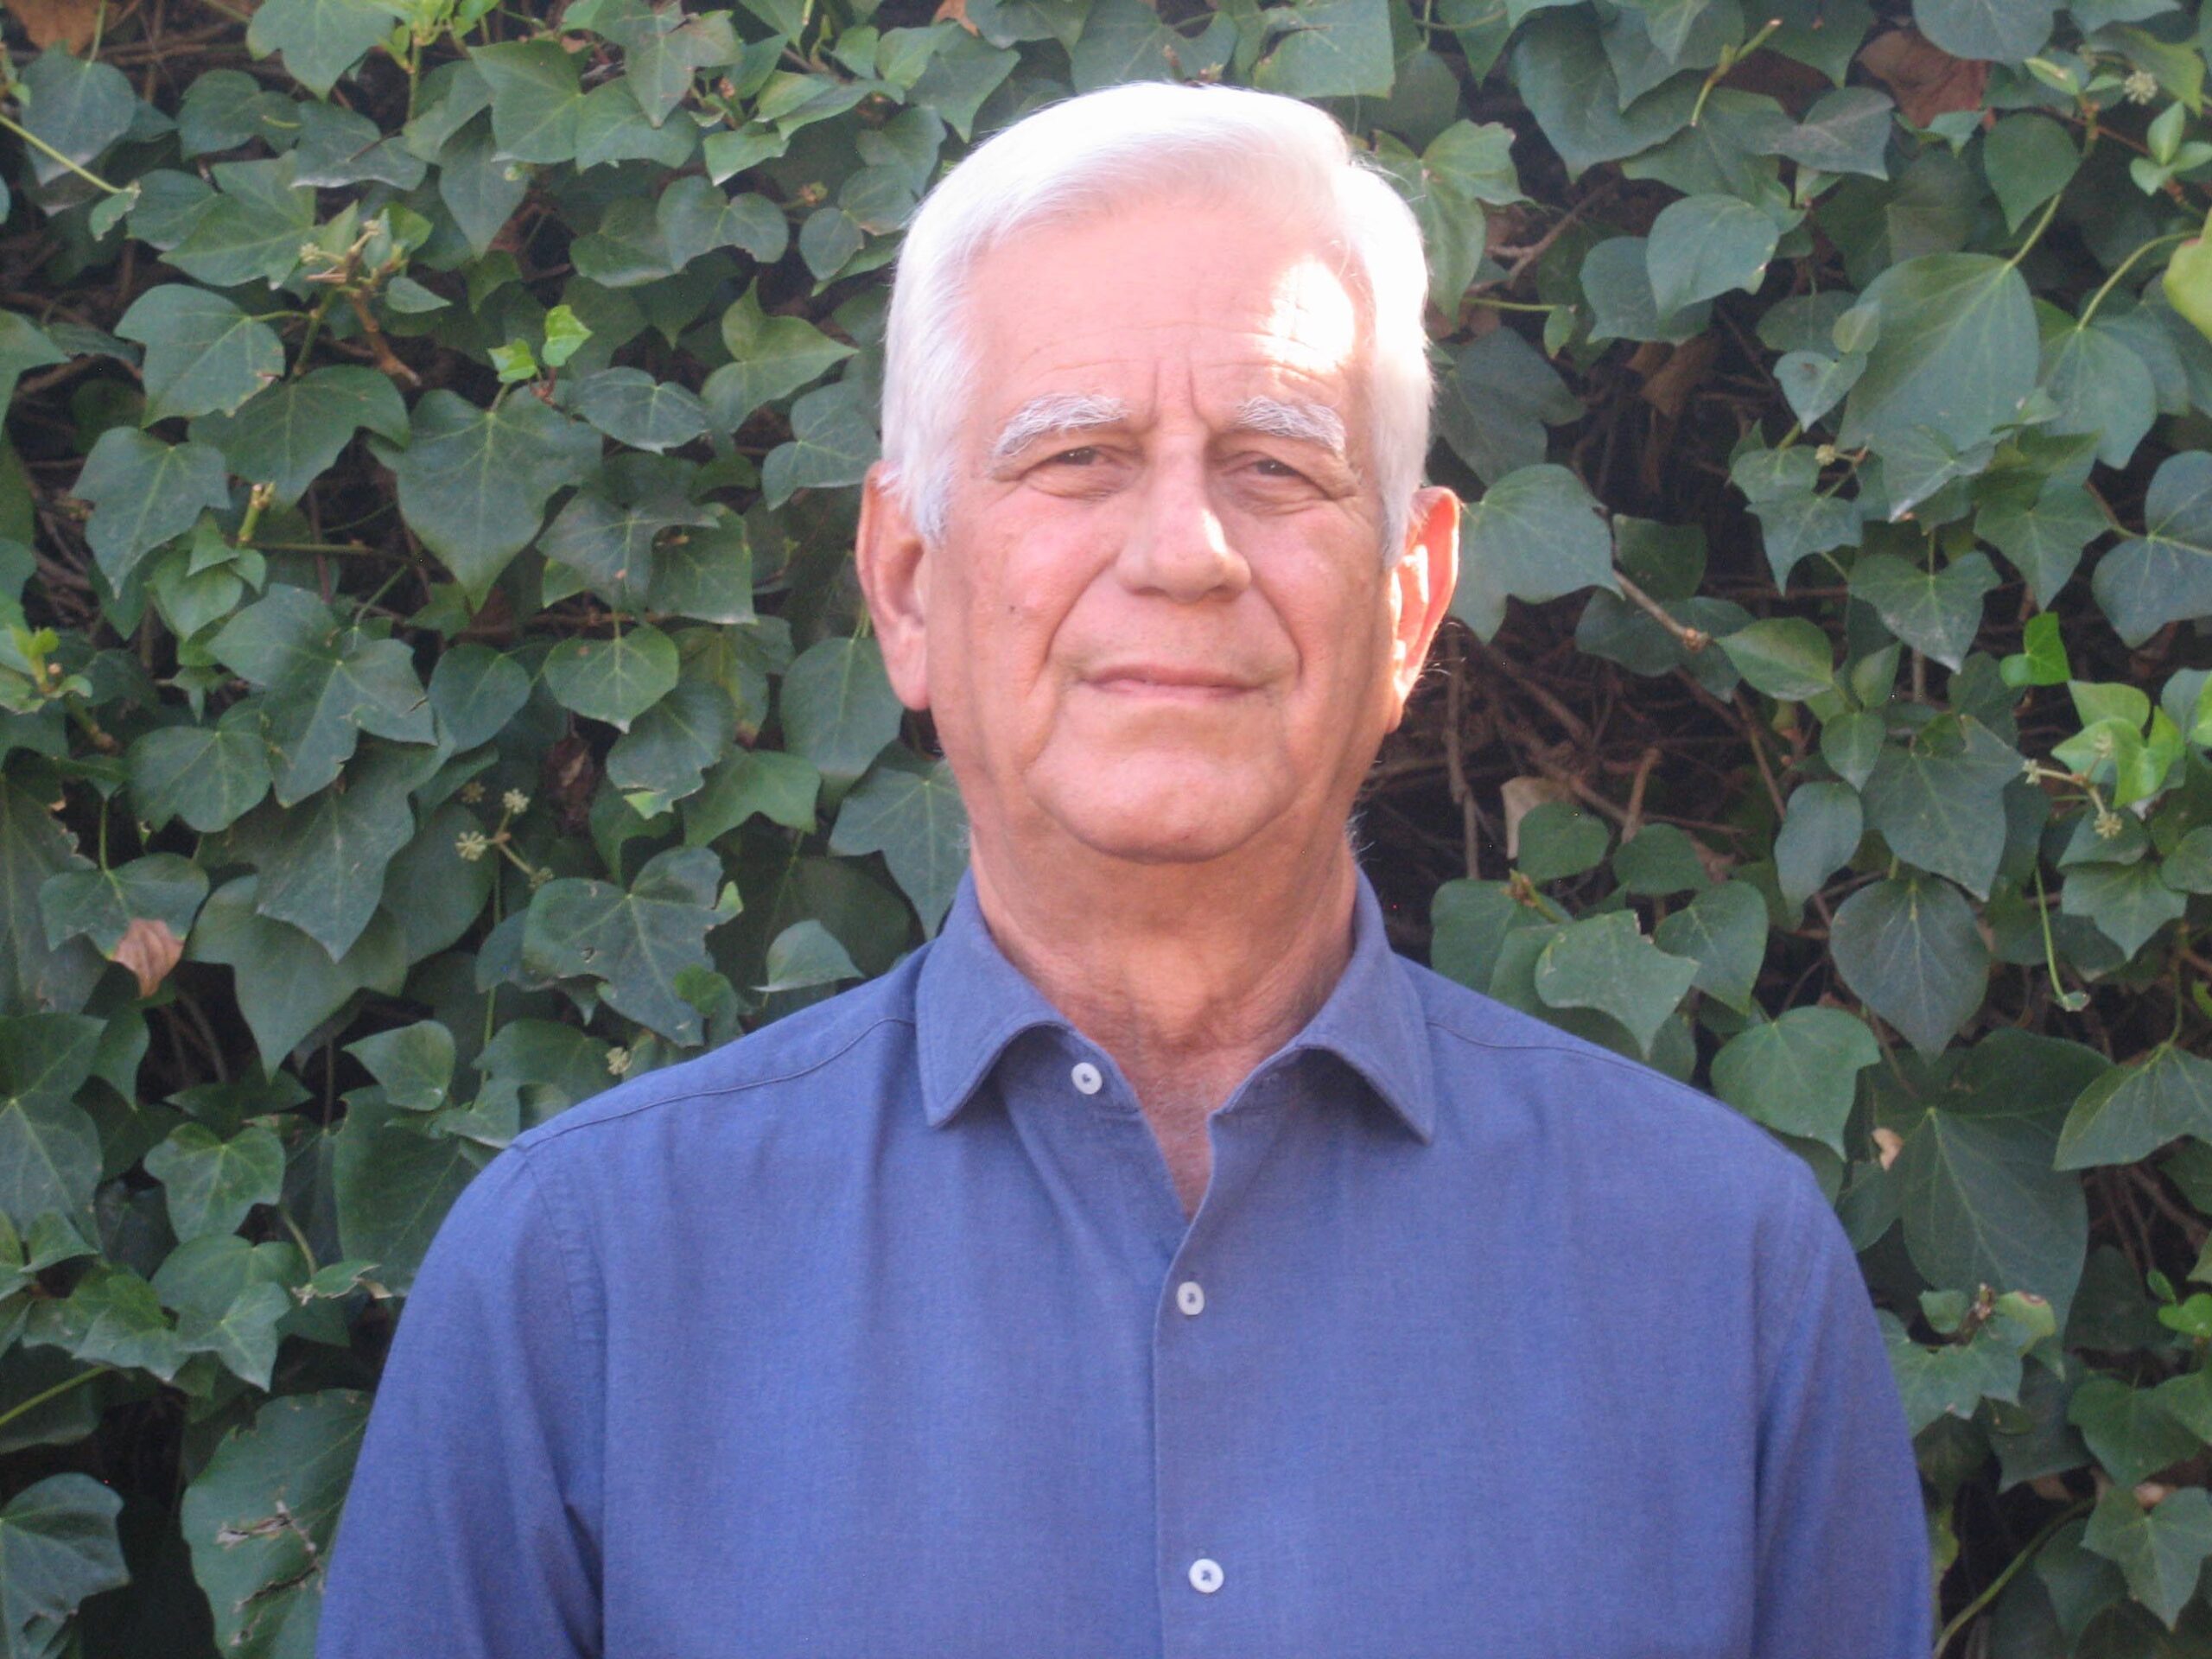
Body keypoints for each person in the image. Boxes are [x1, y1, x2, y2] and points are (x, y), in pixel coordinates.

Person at [315, 79, 1930, 1658]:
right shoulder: (582, 1280)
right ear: (904, 582)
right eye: (1077, 455)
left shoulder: (1723, 1278)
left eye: (1276, 465)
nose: (1184, 552)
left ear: (1410, 600)